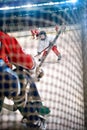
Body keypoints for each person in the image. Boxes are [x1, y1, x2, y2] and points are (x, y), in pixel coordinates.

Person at [0, 30, 50, 116]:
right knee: (21, 77)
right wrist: (34, 67)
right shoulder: (4, 37)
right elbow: (22, 58)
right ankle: (33, 112)